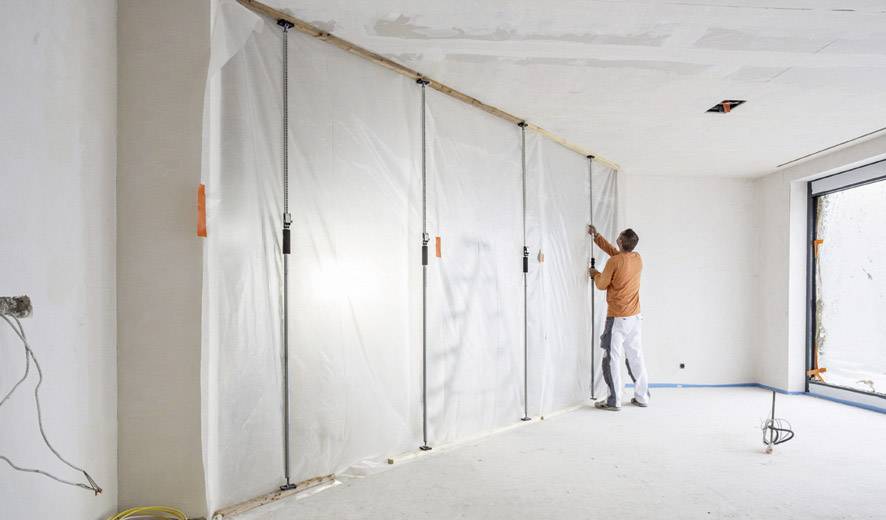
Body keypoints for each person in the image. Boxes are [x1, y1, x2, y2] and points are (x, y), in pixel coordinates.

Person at [588, 225, 649, 411]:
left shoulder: (614, 262)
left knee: (611, 358)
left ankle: (613, 400)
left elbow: (601, 284)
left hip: (617, 319)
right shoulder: (637, 258)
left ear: (621, 241)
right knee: (635, 356)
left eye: (619, 237)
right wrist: (597, 237)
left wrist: (595, 274)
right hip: (635, 318)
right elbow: (617, 256)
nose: (617, 238)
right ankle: (642, 397)